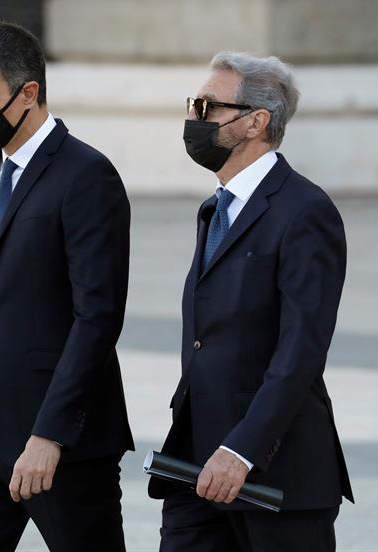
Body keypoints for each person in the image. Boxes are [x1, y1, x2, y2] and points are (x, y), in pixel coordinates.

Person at [0, 21, 134, 552]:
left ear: (29, 94)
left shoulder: (87, 176)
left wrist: (51, 434)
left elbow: (98, 318)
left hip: (62, 444)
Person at [149, 52, 354, 551]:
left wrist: (241, 450)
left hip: (272, 475)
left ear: (255, 122)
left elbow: (301, 349)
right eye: (193, 104)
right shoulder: (215, 208)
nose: (194, 118)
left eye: (208, 106)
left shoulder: (305, 212)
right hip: (195, 468)